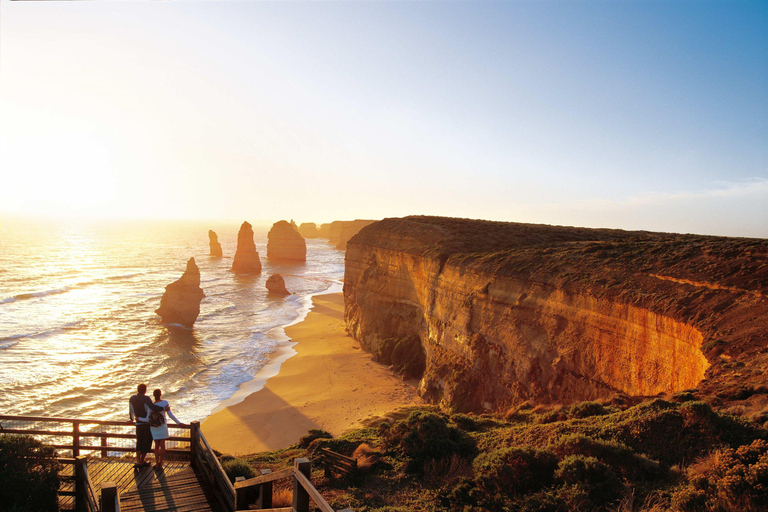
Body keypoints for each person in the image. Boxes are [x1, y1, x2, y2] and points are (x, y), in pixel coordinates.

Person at [129, 383, 164, 469]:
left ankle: (138, 461)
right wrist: (163, 408)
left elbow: (130, 410)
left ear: (138, 390)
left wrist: (132, 419)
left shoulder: (132, 398)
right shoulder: (146, 398)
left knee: (139, 442)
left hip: (138, 424)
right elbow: (152, 407)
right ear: (145, 390)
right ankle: (142, 460)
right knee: (147, 442)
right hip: (146, 424)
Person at [148, 388, 183, 468]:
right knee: (163, 445)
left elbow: (148, 417)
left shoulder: (151, 405)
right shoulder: (164, 403)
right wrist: (178, 423)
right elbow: (170, 414)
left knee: (156, 445)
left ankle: (157, 463)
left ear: (153, 395)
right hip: (162, 425)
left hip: (154, 427)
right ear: (160, 394)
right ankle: (161, 462)